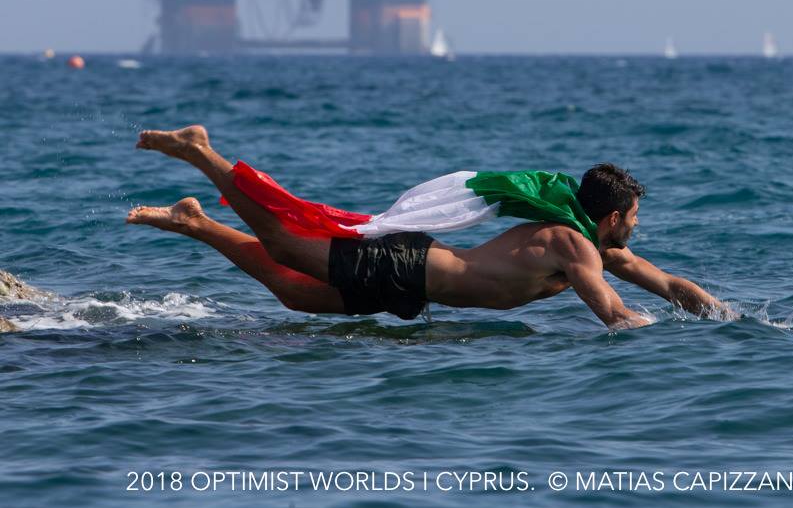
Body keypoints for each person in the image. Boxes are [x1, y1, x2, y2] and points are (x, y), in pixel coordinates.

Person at [125, 125, 729, 329]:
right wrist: (636, 332)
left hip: (413, 285)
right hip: (408, 265)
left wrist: (726, 320)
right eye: (635, 218)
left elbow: (669, 283)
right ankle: (203, 154)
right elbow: (612, 310)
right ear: (614, 217)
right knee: (284, 239)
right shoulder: (573, 244)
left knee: (296, 293)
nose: (638, 229)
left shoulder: (595, 247)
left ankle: (196, 223)